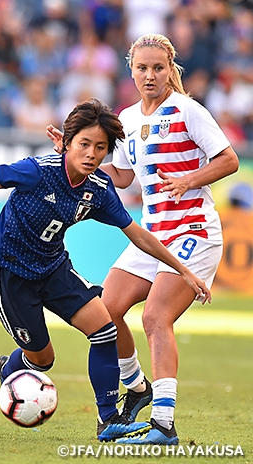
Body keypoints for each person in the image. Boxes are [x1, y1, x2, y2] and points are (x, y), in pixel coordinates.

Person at [0, 98, 211, 441]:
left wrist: (184, 270)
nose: (92, 154)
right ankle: (11, 368)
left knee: (105, 329)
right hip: (8, 276)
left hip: (53, 268)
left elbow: (138, 234)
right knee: (43, 359)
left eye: (100, 147)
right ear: (67, 143)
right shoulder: (38, 170)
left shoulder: (99, 190)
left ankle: (109, 421)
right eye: (84, 144)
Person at [47, 34, 239, 445]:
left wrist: (188, 179)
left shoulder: (189, 110)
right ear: (130, 70)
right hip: (151, 233)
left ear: (170, 68)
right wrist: (73, 153)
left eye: (158, 67)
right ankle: (136, 387)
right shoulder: (128, 118)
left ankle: (164, 424)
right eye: (142, 68)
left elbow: (229, 159)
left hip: (193, 231)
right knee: (106, 310)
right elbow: (120, 177)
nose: (150, 75)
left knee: (155, 318)